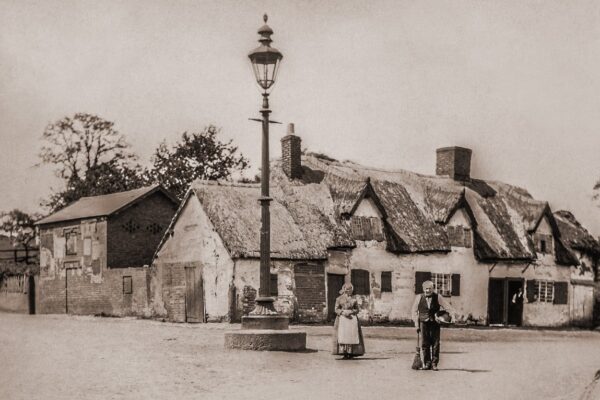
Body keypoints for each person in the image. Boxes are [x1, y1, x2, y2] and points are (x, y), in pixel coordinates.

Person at [411, 280, 456, 371]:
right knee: (425, 343)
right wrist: (416, 323)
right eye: (426, 289)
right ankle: (427, 363)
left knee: (435, 343)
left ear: (433, 289)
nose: (428, 290)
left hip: (435, 323)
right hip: (423, 323)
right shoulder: (419, 297)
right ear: (423, 289)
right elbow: (414, 311)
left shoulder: (438, 297)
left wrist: (452, 316)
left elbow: (448, 307)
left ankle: (434, 364)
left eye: (430, 289)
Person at [332, 283, 365, 359]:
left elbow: (357, 309)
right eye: (347, 290)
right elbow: (336, 309)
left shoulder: (354, 299)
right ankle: (344, 352)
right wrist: (342, 312)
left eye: (350, 290)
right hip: (342, 319)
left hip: (352, 319)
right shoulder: (339, 299)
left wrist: (351, 312)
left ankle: (351, 352)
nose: (349, 291)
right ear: (344, 290)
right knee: (342, 335)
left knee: (352, 335)